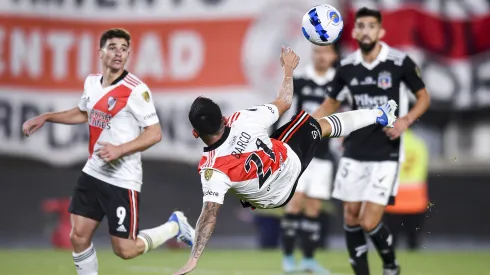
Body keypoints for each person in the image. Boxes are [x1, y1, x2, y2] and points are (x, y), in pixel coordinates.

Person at [173, 45, 398, 275]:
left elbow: (209, 214)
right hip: (289, 162)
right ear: (223, 117)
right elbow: (285, 101)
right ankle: (379, 115)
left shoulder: (211, 169)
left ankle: (294, 259)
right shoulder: (242, 119)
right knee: (317, 125)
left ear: (195, 133)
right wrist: (288, 70)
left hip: (272, 199)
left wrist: (194, 259)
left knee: (306, 131)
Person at [22, 28, 195, 275]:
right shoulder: (92, 82)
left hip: (122, 179)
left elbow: (155, 133)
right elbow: (84, 112)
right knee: (78, 237)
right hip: (93, 172)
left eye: (124, 49)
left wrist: (120, 149)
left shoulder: (136, 90)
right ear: (100, 51)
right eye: (113, 47)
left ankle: (174, 227)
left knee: (125, 250)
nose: (119, 53)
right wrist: (47, 117)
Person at [313, 7, 431, 275]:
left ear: (381, 31)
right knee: (350, 216)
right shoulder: (346, 67)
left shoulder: (399, 62)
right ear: (354, 32)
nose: (366, 30)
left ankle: (390, 265)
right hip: (354, 150)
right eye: (361, 26)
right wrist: (305, 125)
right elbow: (330, 103)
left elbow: (424, 97)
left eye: (371, 26)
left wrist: (405, 120)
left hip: (386, 153)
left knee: (368, 221)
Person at [275, 44, 339, 274]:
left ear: (334, 56)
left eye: (326, 52)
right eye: (317, 52)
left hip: (322, 156)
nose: (321, 56)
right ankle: (289, 258)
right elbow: (284, 109)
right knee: (295, 203)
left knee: (314, 209)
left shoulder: (338, 85)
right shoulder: (301, 81)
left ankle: (309, 260)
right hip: (299, 154)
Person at [383, 128, 429, 251]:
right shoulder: (419, 143)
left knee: (391, 243)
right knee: (413, 242)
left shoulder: (388, 142)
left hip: (393, 198)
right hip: (416, 198)